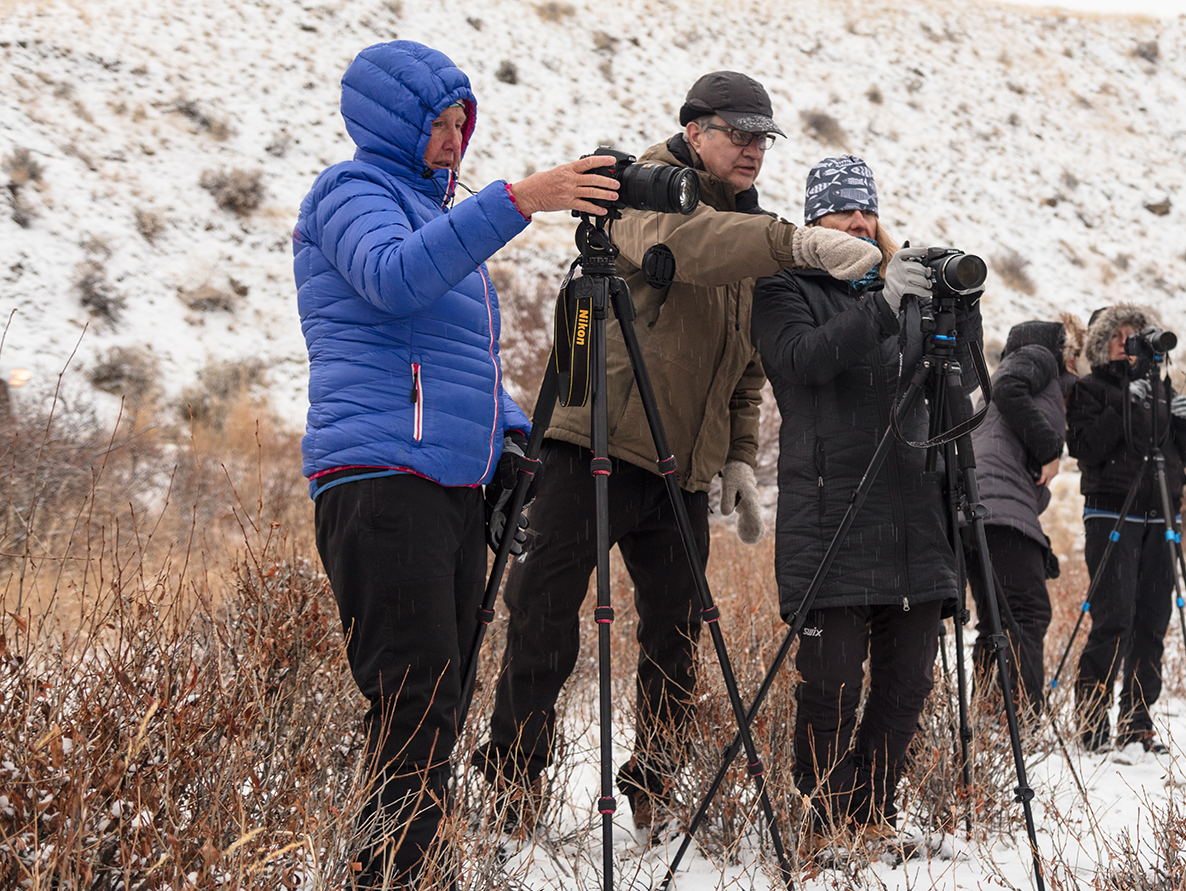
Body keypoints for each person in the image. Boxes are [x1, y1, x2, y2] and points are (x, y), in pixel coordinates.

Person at [477, 72, 881, 838]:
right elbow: (688, 250)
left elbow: (745, 362)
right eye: (739, 133)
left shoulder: (753, 226)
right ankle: (512, 783)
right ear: (696, 131)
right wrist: (793, 245)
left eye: (764, 137)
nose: (754, 149)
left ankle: (653, 785)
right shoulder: (635, 189)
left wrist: (735, 456)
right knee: (543, 617)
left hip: (680, 469)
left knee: (676, 635)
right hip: (590, 442)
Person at [295, 41, 620, 889]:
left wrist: (513, 430)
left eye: (458, 124)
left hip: (447, 482)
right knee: (413, 694)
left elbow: (458, 358)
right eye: (434, 123)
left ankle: (405, 863)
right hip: (378, 477)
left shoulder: (440, 218)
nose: (449, 139)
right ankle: (394, 872)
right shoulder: (350, 193)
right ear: (390, 121)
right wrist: (519, 200)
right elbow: (394, 282)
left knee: (437, 699)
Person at [753, 155, 983, 851]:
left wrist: (957, 316)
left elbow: (957, 396)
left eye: (867, 211)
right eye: (842, 211)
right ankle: (822, 819)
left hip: (916, 514)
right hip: (831, 511)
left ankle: (870, 813)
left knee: (908, 685)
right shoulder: (783, 286)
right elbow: (801, 362)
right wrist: (879, 307)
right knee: (829, 684)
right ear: (814, 220)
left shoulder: (910, 288)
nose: (859, 222)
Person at [1065, 304, 1186, 757]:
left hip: (1161, 515)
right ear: (1101, 346)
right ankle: (1091, 724)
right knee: (1114, 618)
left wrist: (1182, 416)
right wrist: (1127, 399)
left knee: (1151, 622)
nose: (1129, 345)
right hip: (1111, 513)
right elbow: (1086, 447)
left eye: (1135, 336)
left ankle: (1137, 724)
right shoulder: (1090, 389)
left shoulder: (1161, 391)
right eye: (1118, 337)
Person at [964, 317, 1082, 716]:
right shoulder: (1036, 357)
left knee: (997, 620)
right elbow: (1008, 390)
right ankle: (1023, 719)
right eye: (1075, 351)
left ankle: (987, 716)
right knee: (1028, 613)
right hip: (998, 510)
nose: (1076, 361)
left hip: (979, 507)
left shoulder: (1049, 386)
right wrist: (1051, 450)